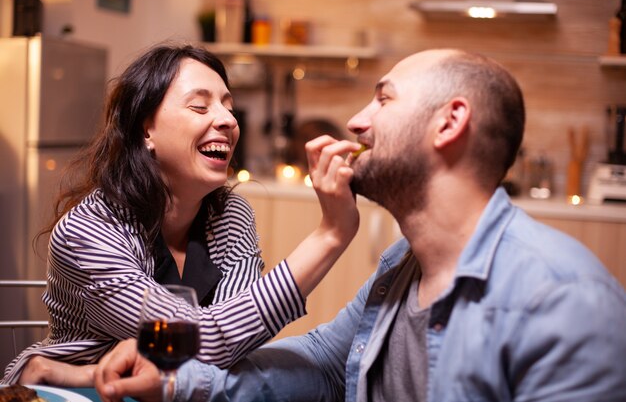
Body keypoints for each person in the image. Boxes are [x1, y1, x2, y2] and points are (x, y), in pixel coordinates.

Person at [94, 48, 626, 402]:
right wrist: (176, 383)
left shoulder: (565, 300)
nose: (355, 121)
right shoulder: (401, 266)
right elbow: (327, 360)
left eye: (383, 98)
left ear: (450, 122)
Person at [1, 43, 361, 385]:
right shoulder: (89, 231)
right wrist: (330, 234)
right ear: (147, 129)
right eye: (200, 107)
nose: (227, 120)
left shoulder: (231, 215)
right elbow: (208, 341)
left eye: (228, 106)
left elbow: (231, 346)